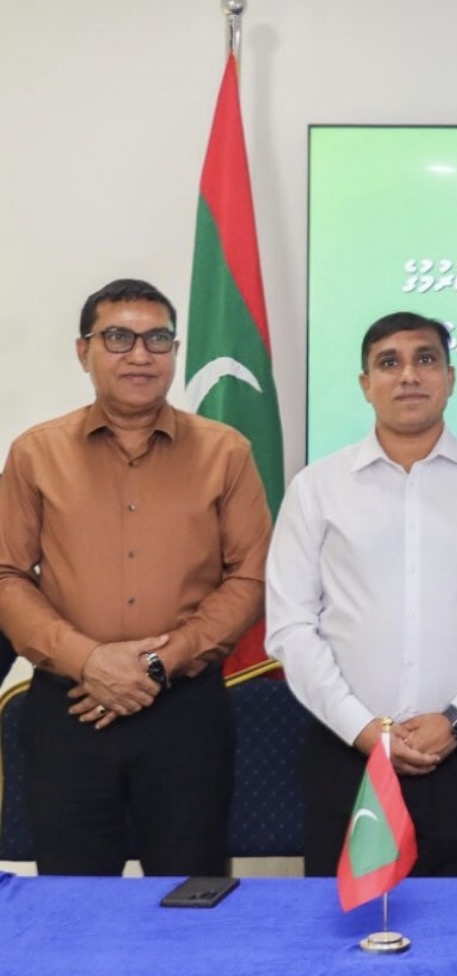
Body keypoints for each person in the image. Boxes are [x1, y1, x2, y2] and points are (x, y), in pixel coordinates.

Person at [266, 311, 457, 877]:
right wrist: (362, 729)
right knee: (353, 924)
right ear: (365, 383)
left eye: (425, 359)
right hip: (347, 757)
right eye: (388, 363)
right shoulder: (316, 489)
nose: (408, 375)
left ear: (450, 377)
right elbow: (291, 626)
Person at [0, 278, 271, 876]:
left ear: (175, 351)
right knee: (74, 901)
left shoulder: (226, 452)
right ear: (84, 351)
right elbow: (7, 574)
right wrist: (89, 661)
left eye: (157, 339)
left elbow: (249, 578)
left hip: (184, 711)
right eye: (118, 338)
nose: (140, 355)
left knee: (190, 894)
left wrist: (157, 664)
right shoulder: (35, 454)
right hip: (70, 708)